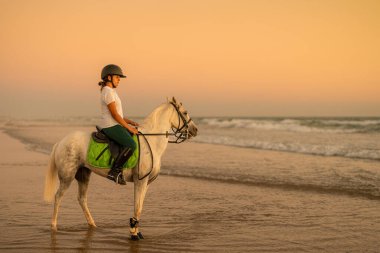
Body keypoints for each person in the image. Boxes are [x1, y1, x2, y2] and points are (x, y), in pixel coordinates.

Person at [98, 64, 139, 185]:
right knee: (131, 144)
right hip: (111, 125)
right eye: (117, 77)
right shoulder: (108, 92)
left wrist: (130, 122)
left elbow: (118, 115)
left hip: (115, 123)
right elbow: (115, 115)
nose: (119, 79)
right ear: (109, 77)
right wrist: (129, 128)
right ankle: (114, 171)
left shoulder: (111, 91)